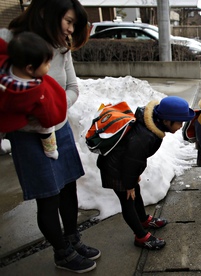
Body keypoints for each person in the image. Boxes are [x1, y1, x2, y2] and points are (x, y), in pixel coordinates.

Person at [1, 0, 100, 273]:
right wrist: (29, 114)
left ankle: (72, 239)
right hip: (27, 137)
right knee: (48, 196)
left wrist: (52, 109)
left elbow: (72, 86)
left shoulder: (61, 48)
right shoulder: (9, 41)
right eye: (68, 22)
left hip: (59, 127)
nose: (70, 30)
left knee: (69, 187)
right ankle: (62, 253)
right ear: (46, 13)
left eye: (74, 25)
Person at [96, 96, 195, 249]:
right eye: (178, 122)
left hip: (125, 166)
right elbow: (132, 160)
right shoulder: (144, 136)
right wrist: (129, 183)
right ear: (166, 121)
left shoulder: (152, 126)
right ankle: (141, 237)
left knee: (136, 192)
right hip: (115, 169)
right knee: (128, 201)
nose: (180, 126)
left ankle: (142, 219)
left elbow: (134, 159)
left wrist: (133, 178)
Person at [0, 31, 67, 160]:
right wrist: (50, 120)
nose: (49, 66)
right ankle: (51, 150)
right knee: (46, 128)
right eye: (47, 63)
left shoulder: (4, 66)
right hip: (20, 119)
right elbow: (47, 115)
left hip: (4, 115)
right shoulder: (36, 91)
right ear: (30, 69)